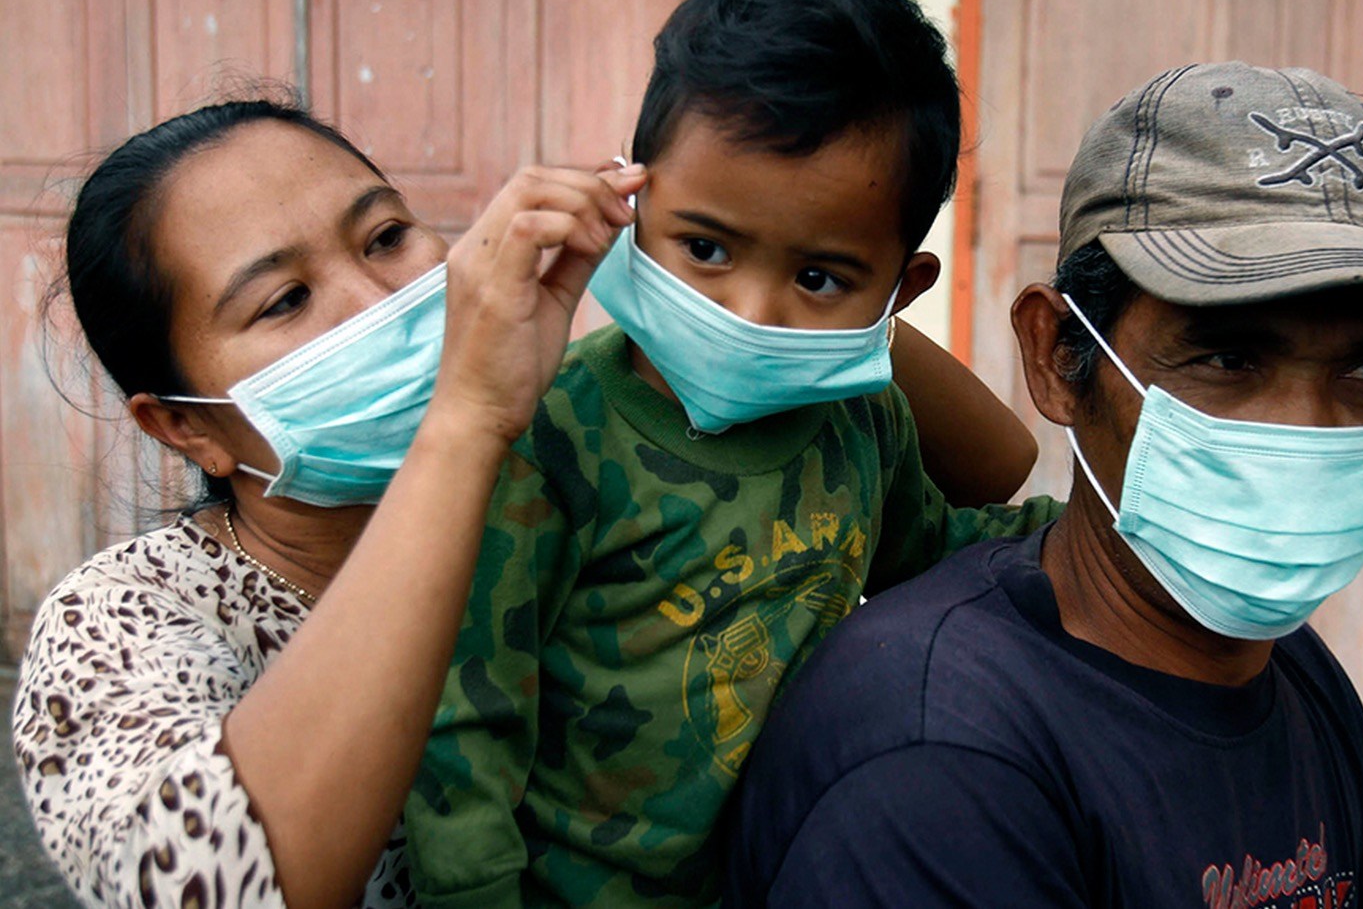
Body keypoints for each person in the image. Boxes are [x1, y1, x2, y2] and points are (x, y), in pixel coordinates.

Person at [9, 99, 1029, 908]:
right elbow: (223, 886)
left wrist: (799, 268)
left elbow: (994, 471)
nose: (375, 302)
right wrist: (462, 421)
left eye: (385, 237)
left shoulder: (586, 448)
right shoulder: (128, 620)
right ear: (182, 424)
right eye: (283, 300)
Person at [725, 61, 1363, 908]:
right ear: (1060, 357)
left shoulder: (1292, 675)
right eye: (1227, 357)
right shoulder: (940, 755)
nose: (1305, 428)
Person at [400, 0, 1064, 909]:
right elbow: (466, 727)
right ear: (628, 207)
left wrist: (1096, 542)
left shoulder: (861, 418)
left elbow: (929, 550)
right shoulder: (548, 441)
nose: (752, 310)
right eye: (704, 247)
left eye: (822, 278)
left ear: (898, 293)